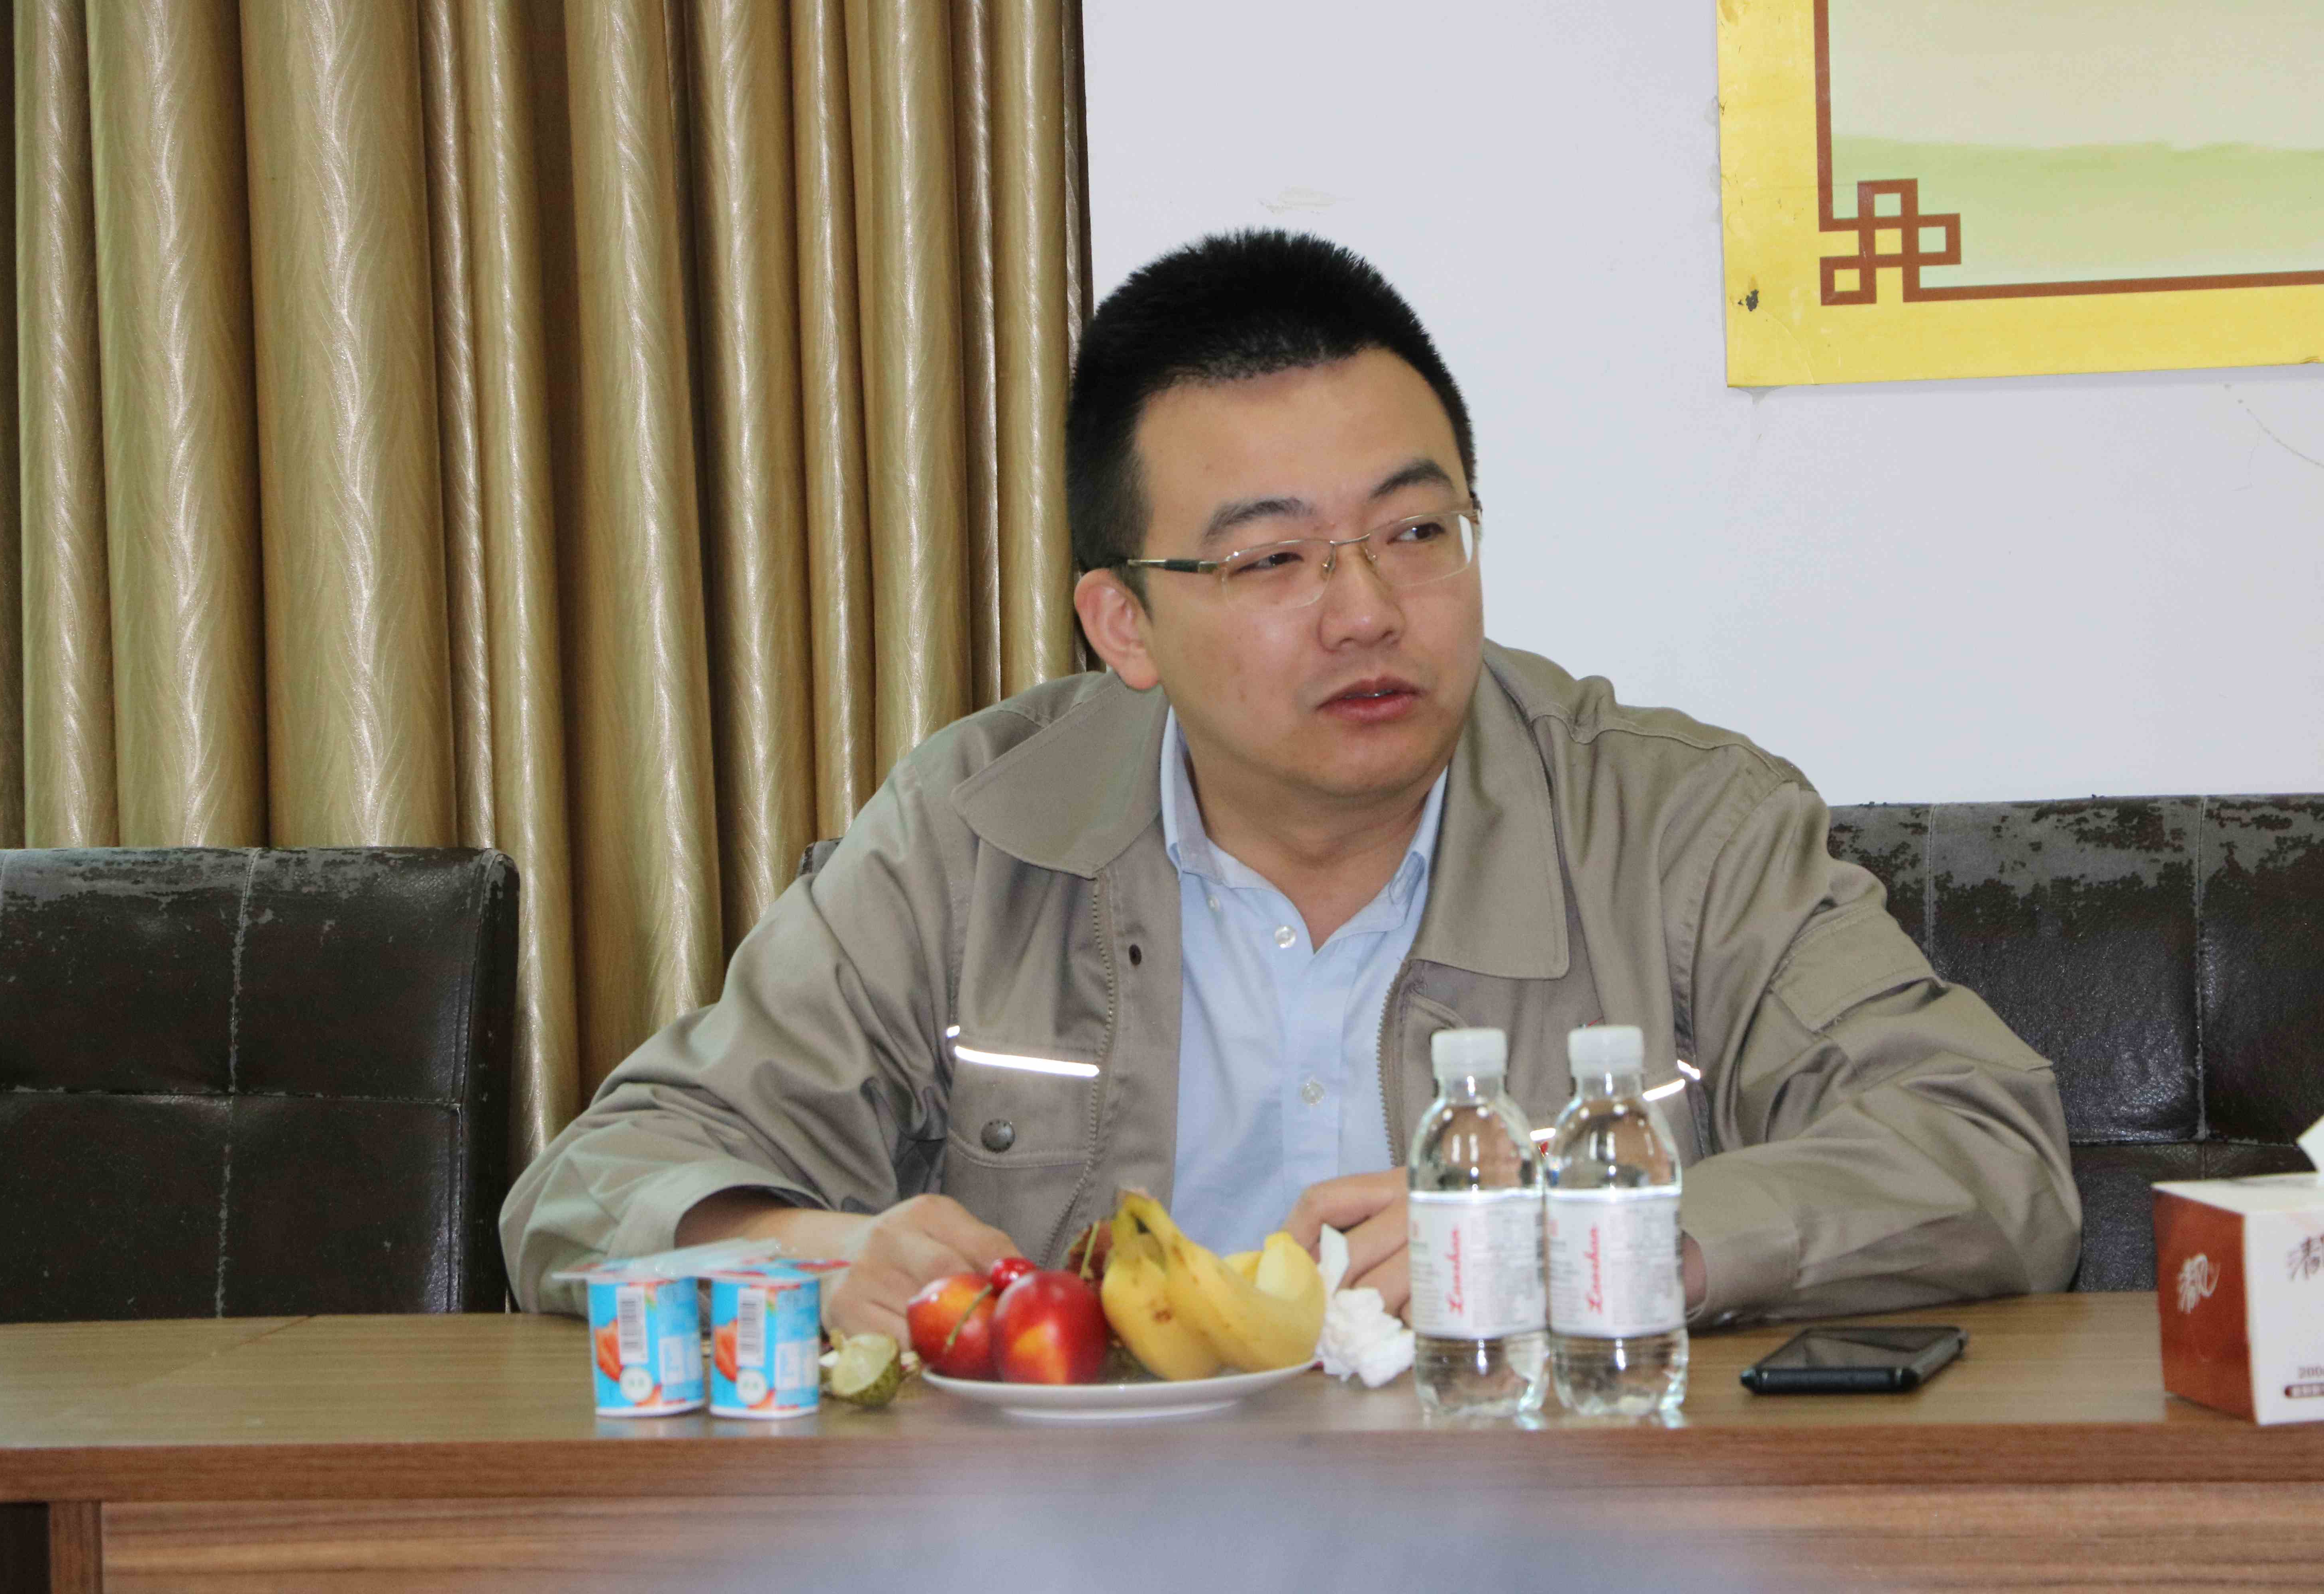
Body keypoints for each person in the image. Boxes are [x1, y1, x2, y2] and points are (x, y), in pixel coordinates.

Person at [500, 231, 2080, 1342]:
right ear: (1125, 623)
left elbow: (1986, 1151)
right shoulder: (972, 830)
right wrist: (812, 1252)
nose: (1367, 610)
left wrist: (1589, 1241)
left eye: (1416, 531)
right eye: (1271, 559)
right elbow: (593, 1185)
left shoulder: (1678, 825)